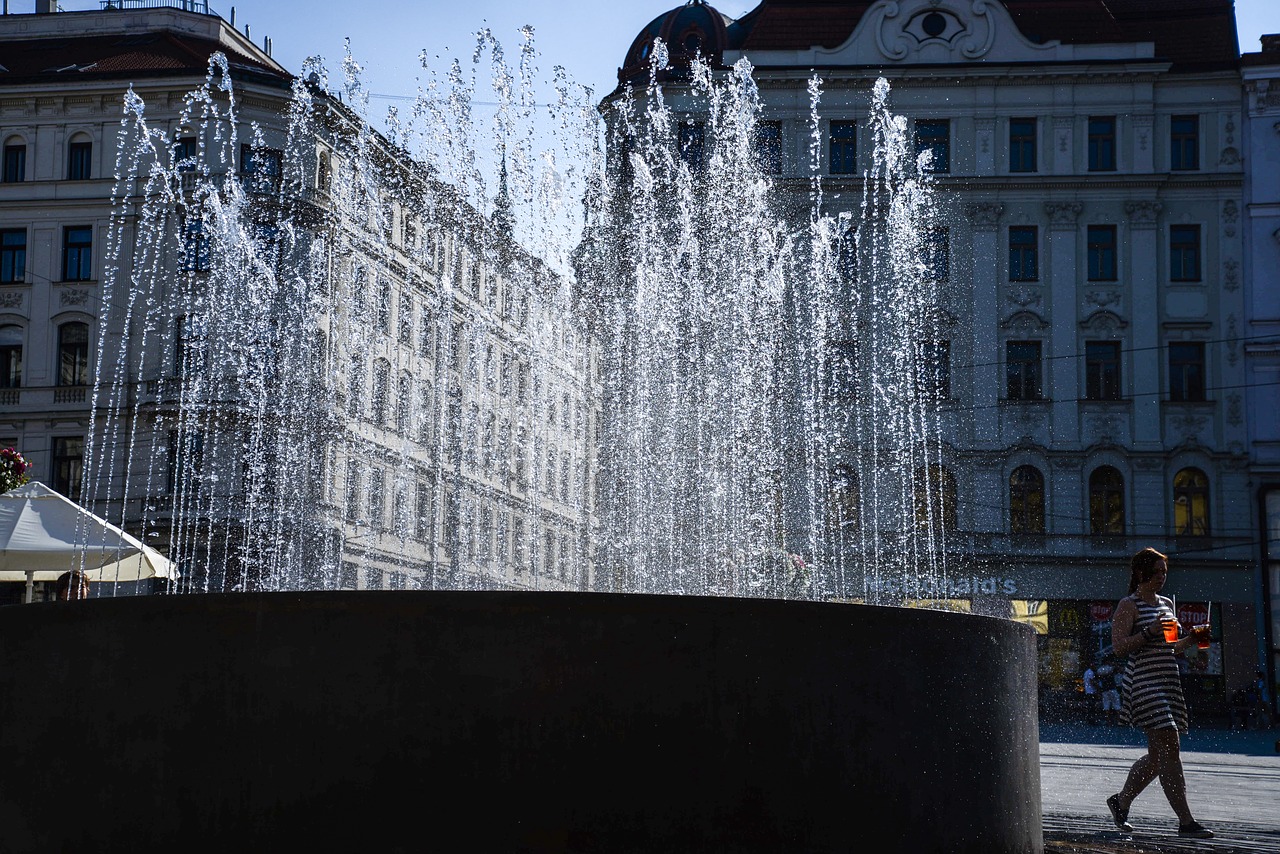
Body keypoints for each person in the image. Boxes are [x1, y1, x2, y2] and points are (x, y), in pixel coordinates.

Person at [1104, 548, 1213, 839]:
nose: (1163, 577)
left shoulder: (1166, 604)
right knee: (1170, 744)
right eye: (1158, 572)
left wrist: (1193, 638)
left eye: (1165, 572)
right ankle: (1186, 822)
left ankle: (1121, 801)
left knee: (1158, 756)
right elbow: (1118, 647)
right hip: (1142, 682)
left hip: (1167, 682)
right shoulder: (1129, 604)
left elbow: (1172, 648)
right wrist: (1150, 631)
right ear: (1141, 573)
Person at [1096, 659, 1121, 726]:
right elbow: (1118, 669)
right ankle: (1119, 721)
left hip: (1105, 690)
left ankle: (1108, 721)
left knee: (1106, 706)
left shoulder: (1100, 670)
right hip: (1112, 689)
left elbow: (1098, 676)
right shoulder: (1111, 668)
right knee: (1117, 705)